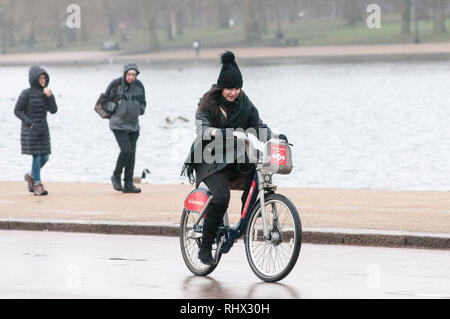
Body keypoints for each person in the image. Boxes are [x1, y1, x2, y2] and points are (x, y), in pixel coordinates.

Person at [181, 51, 288, 265]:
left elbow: (256, 126)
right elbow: (201, 129)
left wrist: (275, 138)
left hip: (236, 155)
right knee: (221, 197)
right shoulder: (208, 102)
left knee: (257, 177)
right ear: (221, 87)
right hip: (209, 158)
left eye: (237, 88)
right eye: (230, 88)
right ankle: (204, 248)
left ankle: (245, 223)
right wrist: (218, 133)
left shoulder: (243, 101)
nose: (233, 93)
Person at [101, 62, 147, 193]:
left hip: (134, 125)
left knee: (131, 155)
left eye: (134, 75)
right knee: (126, 150)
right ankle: (116, 175)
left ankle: (128, 184)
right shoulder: (115, 84)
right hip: (118, 124)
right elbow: (104, 101)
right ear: (125, 73)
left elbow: (143, 102)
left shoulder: (139, 86)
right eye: (129, 74)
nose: (131, 77)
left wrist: (140, 110)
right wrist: (115, 107)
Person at [14, 66, 58, 196]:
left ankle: (31, 175)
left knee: (45, 156)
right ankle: (37, 184)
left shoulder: (46, 92)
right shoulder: (26, 93)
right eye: (41, 78)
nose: (43, 80)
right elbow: (17, 111)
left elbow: (54, 110)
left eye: (44, 78)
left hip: (43, 129)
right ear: (34, 79)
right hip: (31, 129)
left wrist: (50, 96)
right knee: (37, 155)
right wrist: (30, 122)